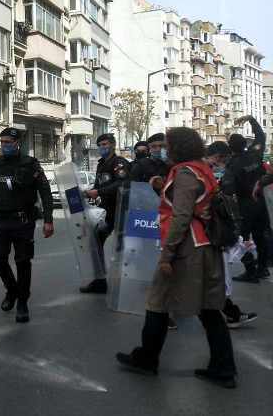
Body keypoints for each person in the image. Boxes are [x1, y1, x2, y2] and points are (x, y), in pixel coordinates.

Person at [116, 127, 237, 389]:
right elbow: (193, 203)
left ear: (178, 147)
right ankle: (223, 366)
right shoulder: (202, 169)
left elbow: (181, 216)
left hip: (187, 248)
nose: (165, 150)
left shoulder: (184, 172)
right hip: (206, 244)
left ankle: (147, 358)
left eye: (168, 146)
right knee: (208, 308)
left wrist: (167, 255)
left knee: (157, 300)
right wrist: (164, 190)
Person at [0, 128, 54, 323]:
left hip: (23, 221)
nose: (4, 145)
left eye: (7, 142)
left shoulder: (30, 164)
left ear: (17, 143)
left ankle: (22, 303)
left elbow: (45, 192)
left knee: (23, 262)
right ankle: (12, 289)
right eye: (2, 141)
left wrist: (48, 220)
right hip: (1, 219)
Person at [207, 141, 258, 328]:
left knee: (210, 280)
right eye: (224, 160)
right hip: (203, 235)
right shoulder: (200, 172)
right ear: (217, 157)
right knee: (210, 280)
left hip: (207, 234)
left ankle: (232, 314)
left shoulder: (202, 171)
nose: (224, 164)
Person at [222, 115, 270, 282]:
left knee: (241, 238)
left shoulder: (232, 166)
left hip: (244, 206)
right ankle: (263, 268)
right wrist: (251, 120)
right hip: (261, 202)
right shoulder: (255, 153)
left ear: (230, 148)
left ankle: (250, 271)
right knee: (260, 236)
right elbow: (261, 136)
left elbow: (228, 191)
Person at [80, 133, 130, 293]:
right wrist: (90, 192)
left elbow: (122, 184)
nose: (102, 147)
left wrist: (99, 191)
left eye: (104, 144)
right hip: (106, 211)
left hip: (121, 210)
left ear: (112, 145)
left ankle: (133, 281)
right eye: (99, 145)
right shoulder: (101, 165)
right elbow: (98, 185)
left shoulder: (119, 163)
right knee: (95, 242)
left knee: (125, 247)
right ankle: (99, 280)